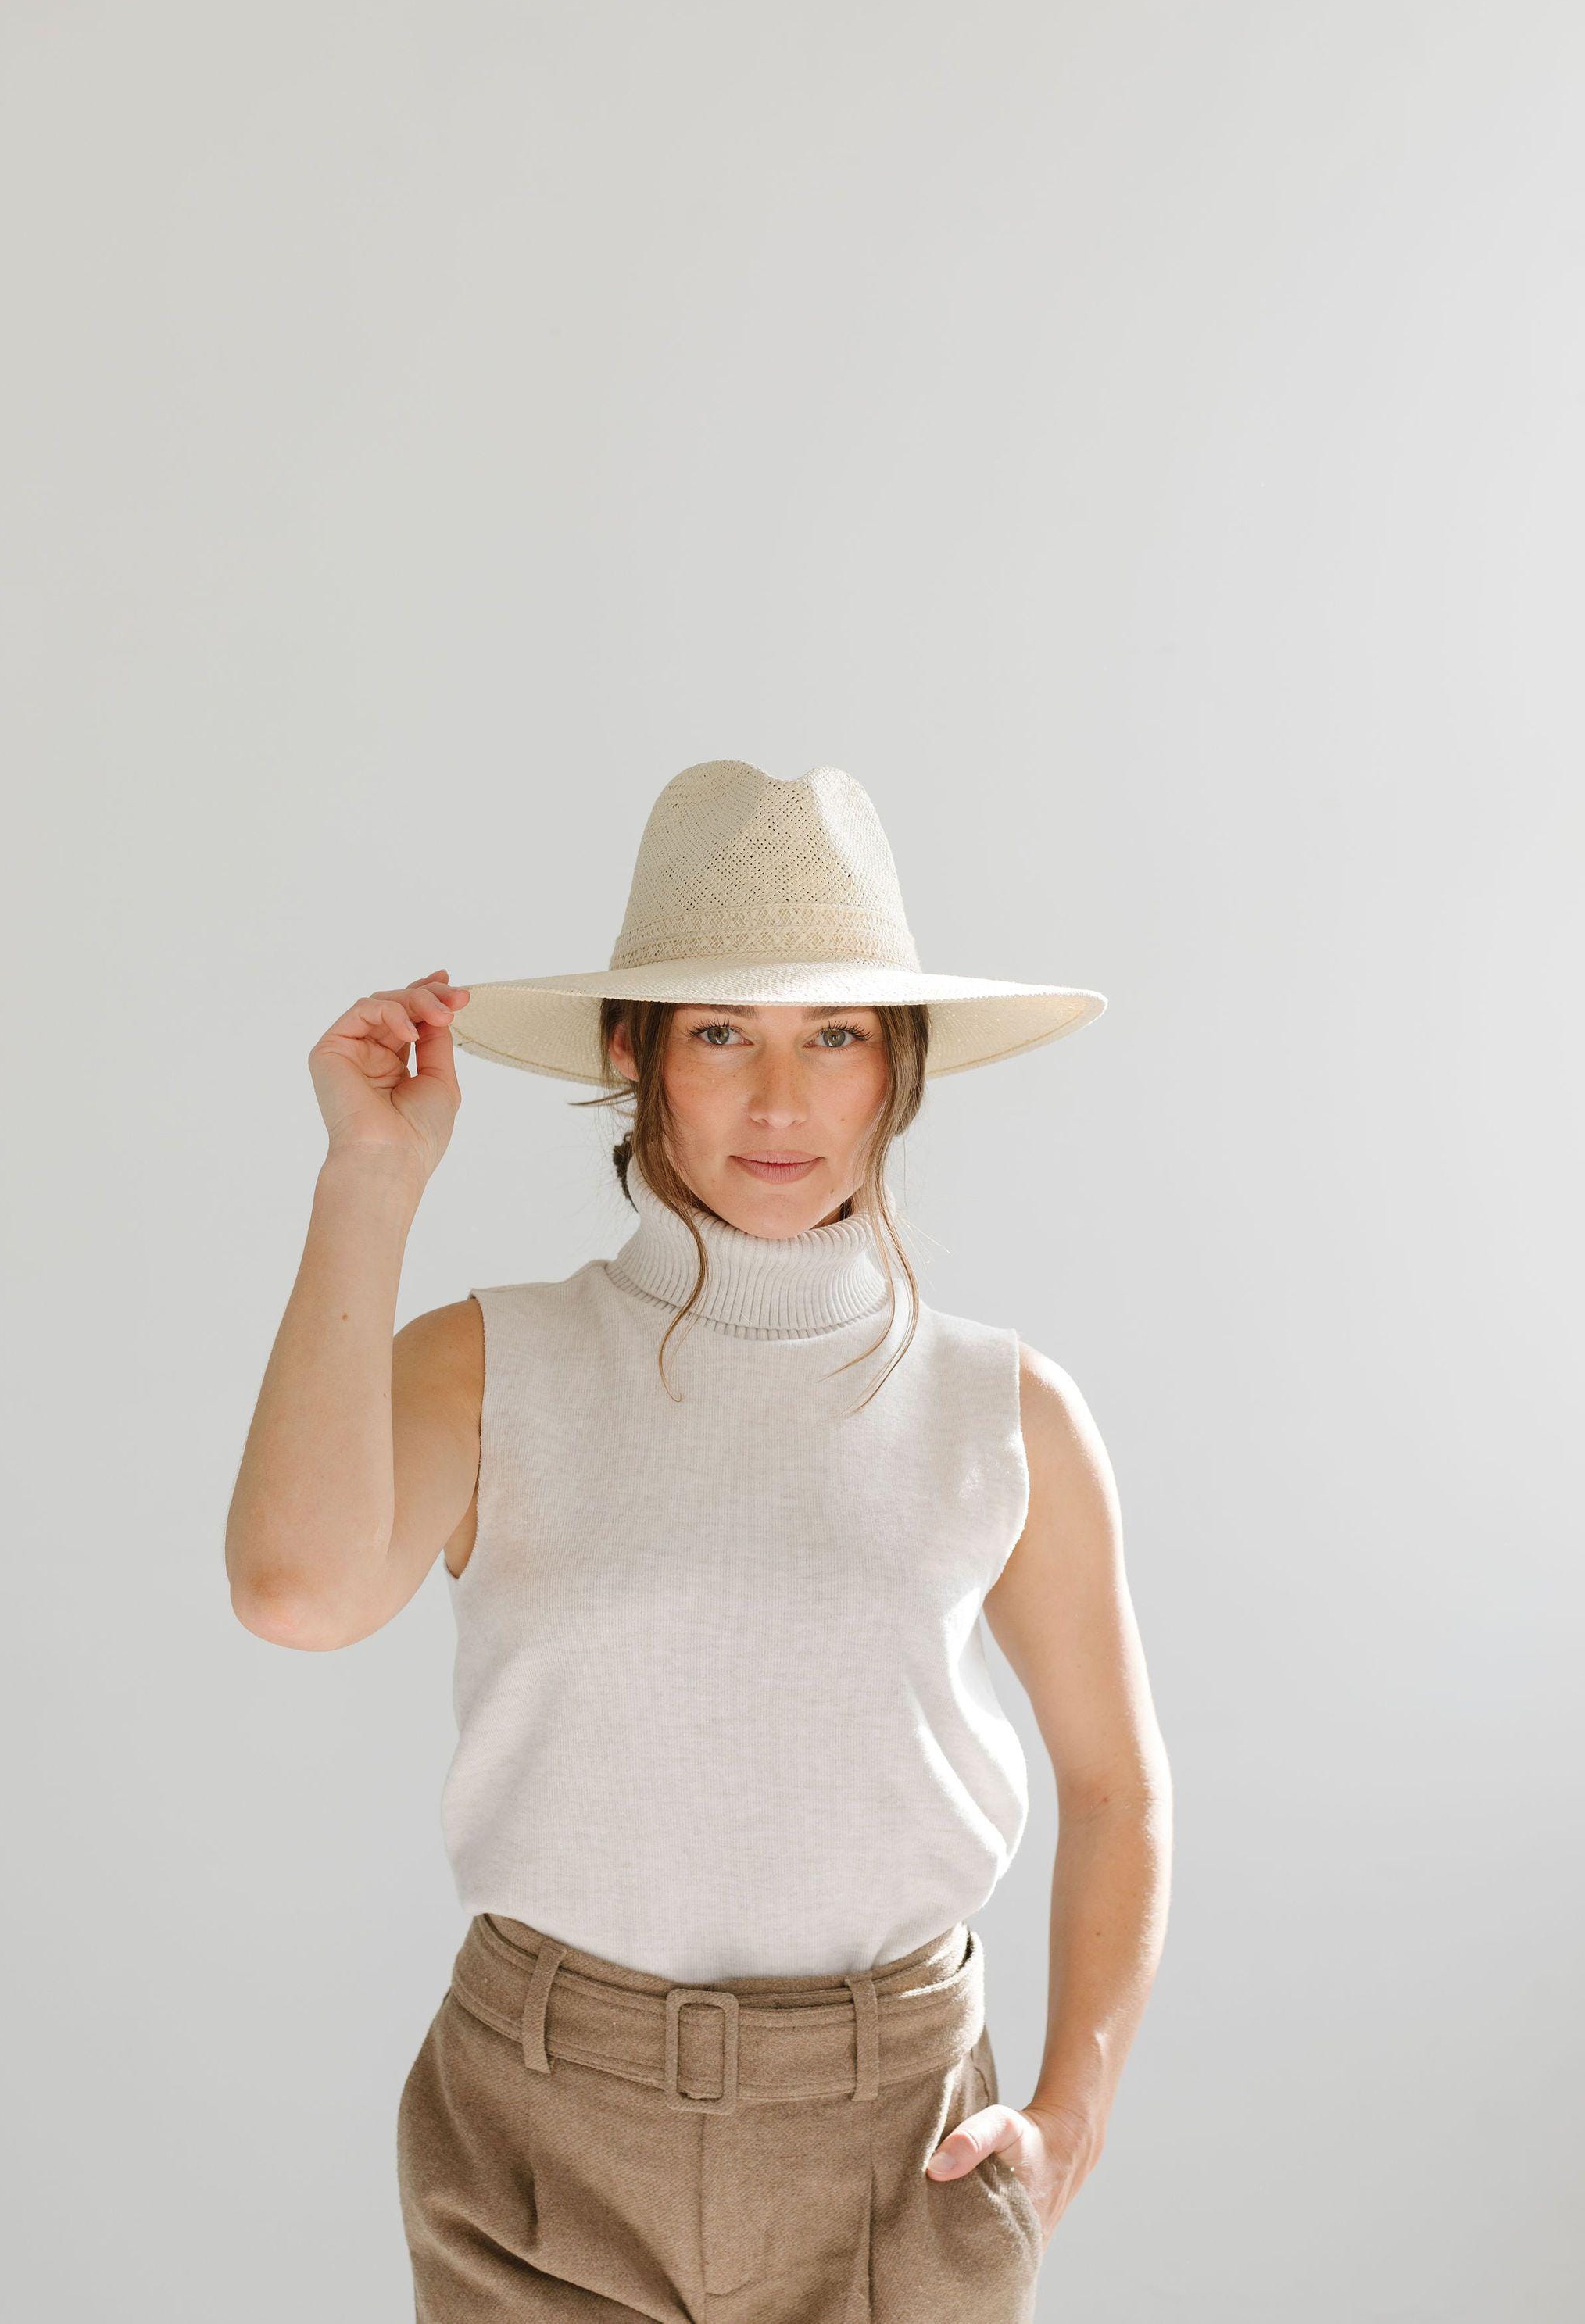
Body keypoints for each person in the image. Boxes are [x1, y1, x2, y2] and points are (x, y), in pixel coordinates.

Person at [224, 761, 1172, 2323]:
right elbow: (296, 1592)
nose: (781, 1102)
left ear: (901, 1066)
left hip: (900, 2149)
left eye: (836, 1038)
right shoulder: (490, 1362)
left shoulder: (1006, 1410)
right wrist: (370, 1179)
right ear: (634, 1053)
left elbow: (1117, 1783)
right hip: (541, 2135)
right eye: (722, 1033)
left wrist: (1070, 2116)